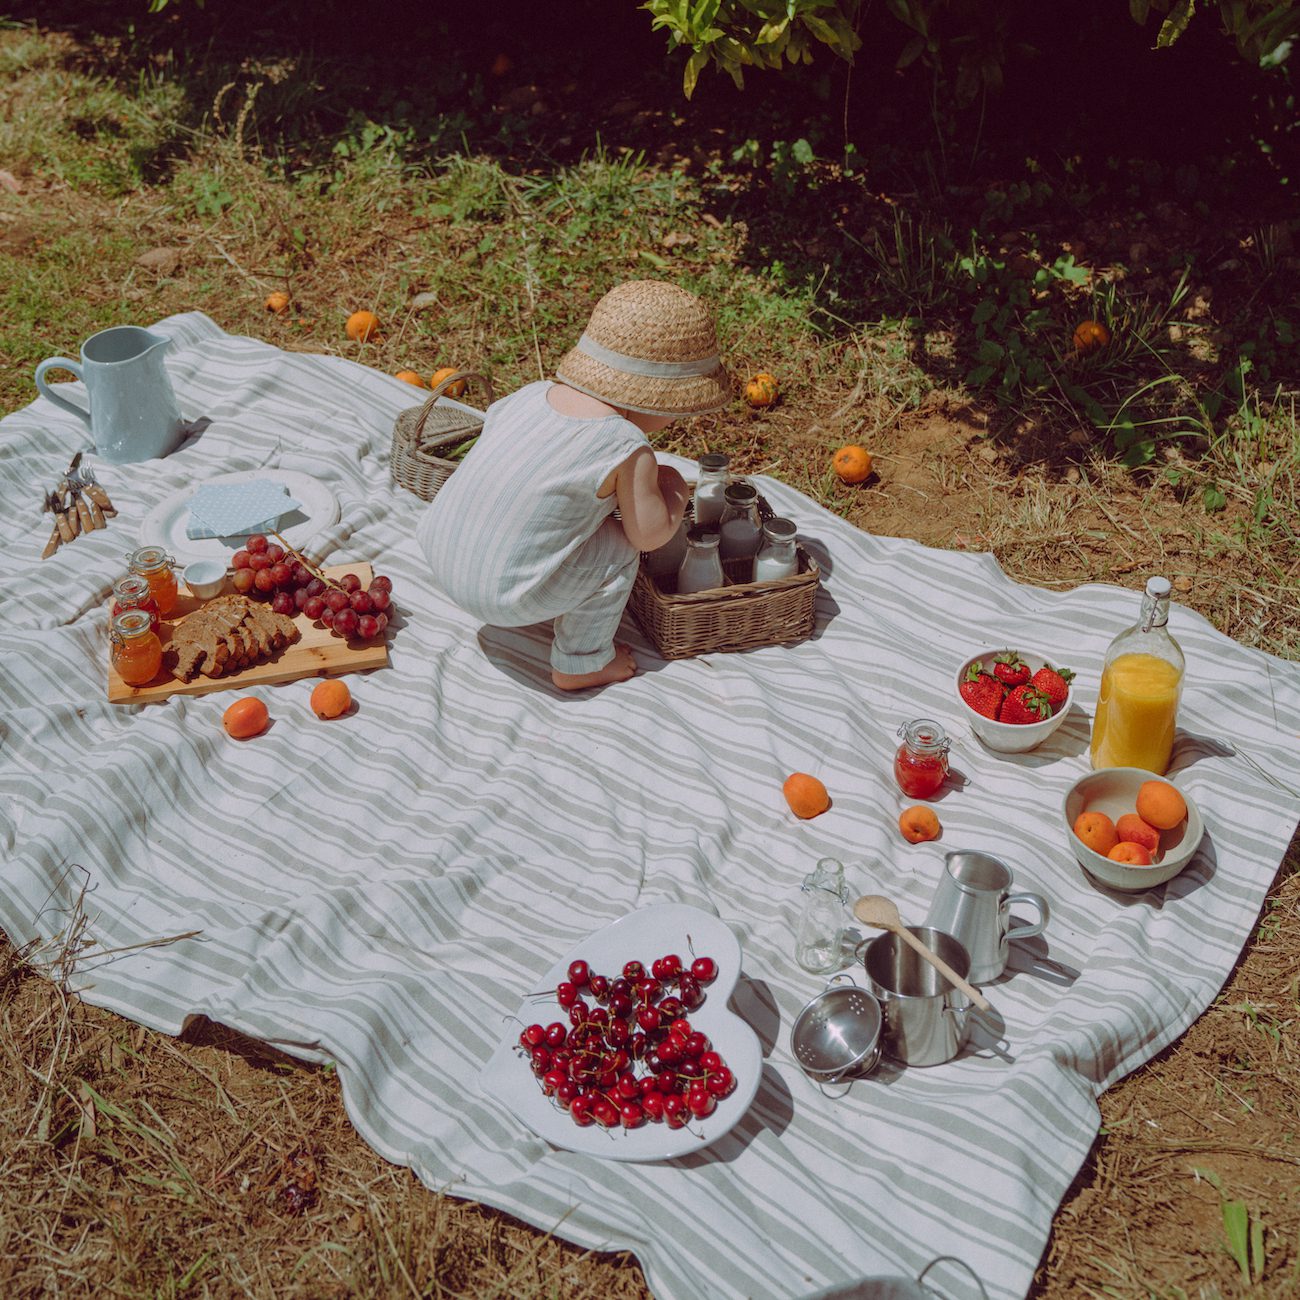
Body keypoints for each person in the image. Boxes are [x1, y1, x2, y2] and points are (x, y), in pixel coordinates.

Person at [416, 279, 731, 690]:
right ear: (656, 399)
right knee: (619, 548)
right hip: (502, 598)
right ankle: (580, 663)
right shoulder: (624, 445)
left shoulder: (529, 396)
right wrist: (672, 488)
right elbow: (649, 535)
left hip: (442, 554)